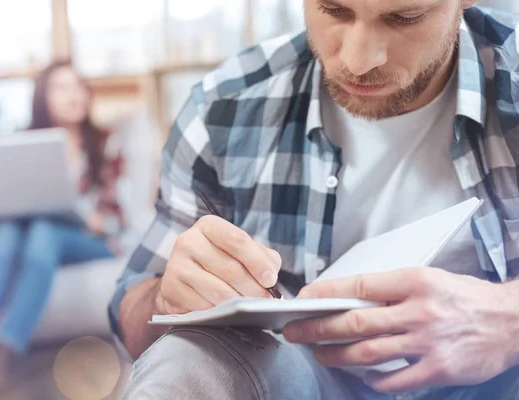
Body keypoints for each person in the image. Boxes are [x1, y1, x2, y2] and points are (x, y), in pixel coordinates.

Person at [110, 1, 519, 399]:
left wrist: (507, 318)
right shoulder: (224, 108)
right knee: (187, 361)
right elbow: (129, 318)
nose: (359, 61)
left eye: (403, 17)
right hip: (294, 376)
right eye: (333, 10)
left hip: (494, 382)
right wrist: (168, 297)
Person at [0, 60, 125, 399]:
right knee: (11, 232)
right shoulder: (24, 144)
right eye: (62, 88)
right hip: (33, 235)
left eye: (79, 86)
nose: (74, 96)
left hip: (92, 239)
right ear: (43, 98)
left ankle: (2, 354)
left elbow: (118, 217)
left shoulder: (106, 143)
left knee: (42, 231)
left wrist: (94, 218)